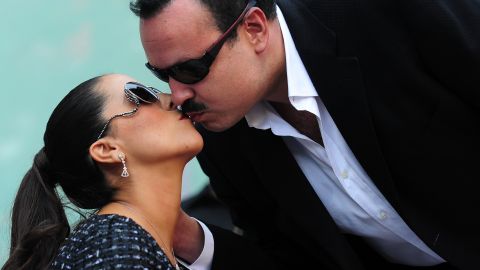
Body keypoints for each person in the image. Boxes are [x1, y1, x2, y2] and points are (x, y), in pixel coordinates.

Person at [131, 0, 480, 269]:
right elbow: (286, 254)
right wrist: (190, 238)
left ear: (254, 28)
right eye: (163, 75)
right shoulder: (217, 133)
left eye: (190, 69)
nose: (178, 95)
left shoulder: (383, 15)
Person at [2, 74, 208, 270]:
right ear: (108, 150)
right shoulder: (115, 246)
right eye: (142, 95)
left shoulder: (121, 242)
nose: (171, 98)